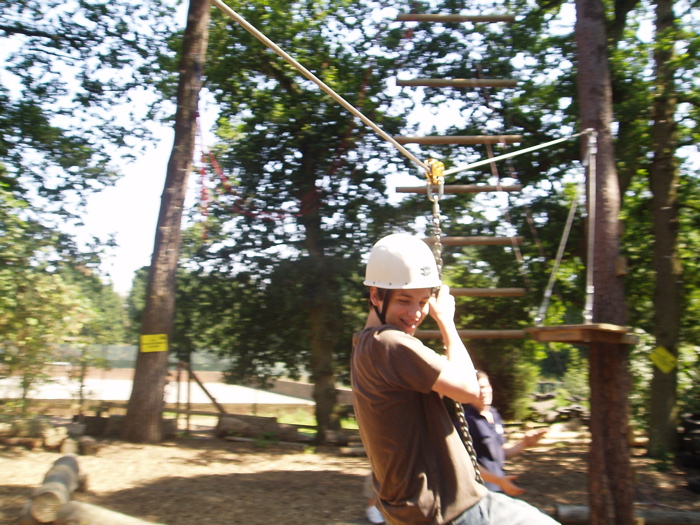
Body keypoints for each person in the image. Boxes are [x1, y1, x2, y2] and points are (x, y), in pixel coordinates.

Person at [351, 233, 560, 525]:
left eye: (424, 301)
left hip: (428, 506)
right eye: (404, 300)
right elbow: (468, 388)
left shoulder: (364, 346)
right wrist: (446, 321)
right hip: (448, 508)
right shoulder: (390, 344)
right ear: (375, 295)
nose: (416, 313)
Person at [461, 371, 548, 496]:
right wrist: (497, 480)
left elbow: (502, 451)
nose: (483, 392)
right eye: (478, 389)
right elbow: (466, 464)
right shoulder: (466, 422)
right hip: (480, 492)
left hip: (499, 488)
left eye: (485, 387)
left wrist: (524, 443)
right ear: (469, 392)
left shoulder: (494, 414)